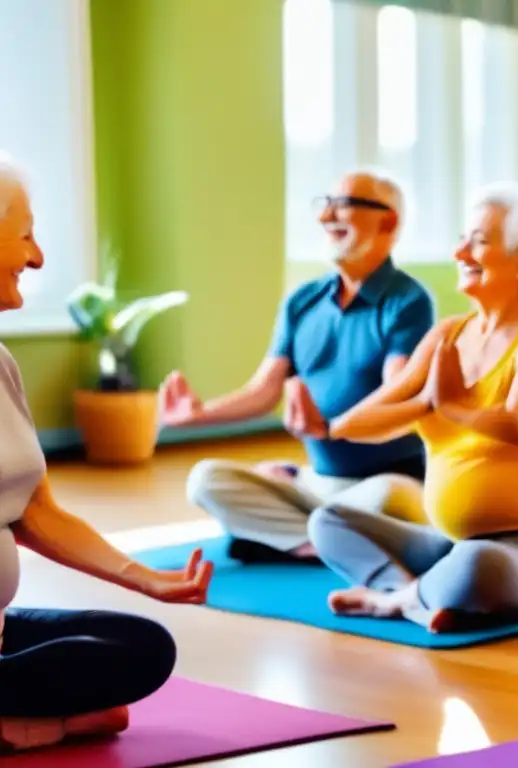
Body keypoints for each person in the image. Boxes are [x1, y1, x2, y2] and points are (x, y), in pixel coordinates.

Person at [0, 162, 212, 751]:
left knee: (142, 648)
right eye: (25, 236)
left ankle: (18, 720)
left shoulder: (1, 365)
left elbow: (33, 512)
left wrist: (147, 579)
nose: (38, 258)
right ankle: (30, 722)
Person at [309, 181, 518, 634]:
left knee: (480, 565)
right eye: (461, 239)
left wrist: (453, 406)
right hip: (452, 546)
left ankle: (397, 601)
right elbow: (354, 424)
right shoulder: (448, 336)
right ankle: (417, 597)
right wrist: (423, 400)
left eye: (478, 241)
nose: (460, 253)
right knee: (328, 521)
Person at [163, 171, 435, 563]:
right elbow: (264, 391)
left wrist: (330, 428)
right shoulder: (303, 301)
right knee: (205, 480)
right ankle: (323, 543)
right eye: (323, 204)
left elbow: (397, 397)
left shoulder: (407, 301)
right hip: (318, 483)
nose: (326, 217)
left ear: (387, 221)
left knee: (387, 499)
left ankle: (290, 539)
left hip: (386, 485)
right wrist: (200, 414)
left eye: (342, 204)